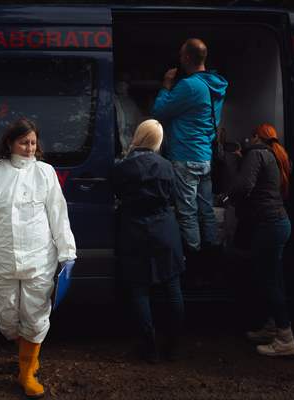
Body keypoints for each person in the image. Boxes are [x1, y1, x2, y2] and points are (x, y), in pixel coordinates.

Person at [0, 117, 77, 397]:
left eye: (33, 143)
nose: (29, 148)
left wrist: (67, 252)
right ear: (10, 143)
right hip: (1, 258)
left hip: (39, 256)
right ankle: (26, 350)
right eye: (24, 142)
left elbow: (58, 215)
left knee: (36, 315)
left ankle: (26, 371)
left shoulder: (46, 173)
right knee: (6, 317)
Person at [112, 119, 185, 363]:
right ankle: (174, 345)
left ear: (138, 136)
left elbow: (117, 194)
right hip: (165, 229)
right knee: (172, 286)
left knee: (139, 290)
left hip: (134, 230)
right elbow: (175, 198)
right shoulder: (166, 166)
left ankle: (149, 347)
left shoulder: (122, 167)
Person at [152, 38, 228, 254]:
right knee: (206, 210)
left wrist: (166, 86)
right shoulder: (215, 84)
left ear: (186, 57)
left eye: (180, 55)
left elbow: (159, 111)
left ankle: (194, 263)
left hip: (185, 156)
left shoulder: (189, 85)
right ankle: (212, 257)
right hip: (205, 156)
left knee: (187, 213)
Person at [230, 123, 294, 357]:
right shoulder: (276, 156)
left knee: (269, 281)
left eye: (250, 137)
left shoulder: (256, 153)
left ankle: (285, 339)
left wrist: (226, 196)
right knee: (274, 279)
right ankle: (273, 327)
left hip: (269, 225)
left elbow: (244, 185)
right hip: (279, 223)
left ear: (256, 137)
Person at [115, 73, 143, 156]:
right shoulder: (108, 102)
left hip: (129, 152)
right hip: (114, 150)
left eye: (126, 81)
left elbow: (138, 129)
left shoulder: (132, 104)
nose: (123, 84)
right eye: (121, 80)